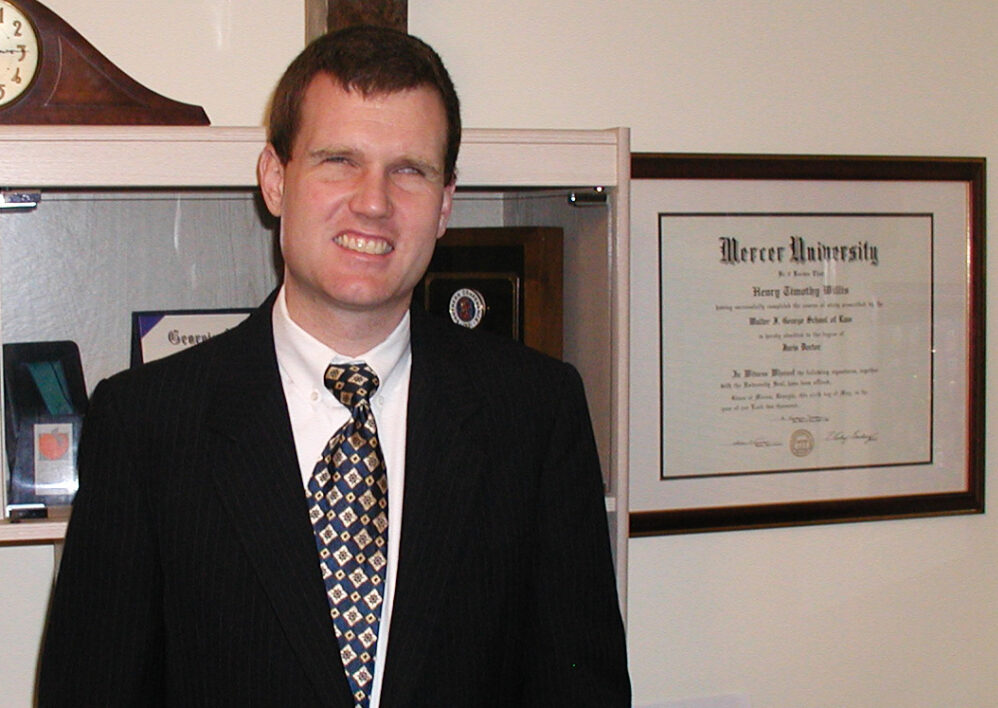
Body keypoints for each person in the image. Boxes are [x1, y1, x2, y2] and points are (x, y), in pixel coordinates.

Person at [37, 25, 630, 707]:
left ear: (444, 204)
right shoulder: (146, 424)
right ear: (275, 180)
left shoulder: (534, 413)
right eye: (339, 160)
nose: (373, 202)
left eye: (409, 169)